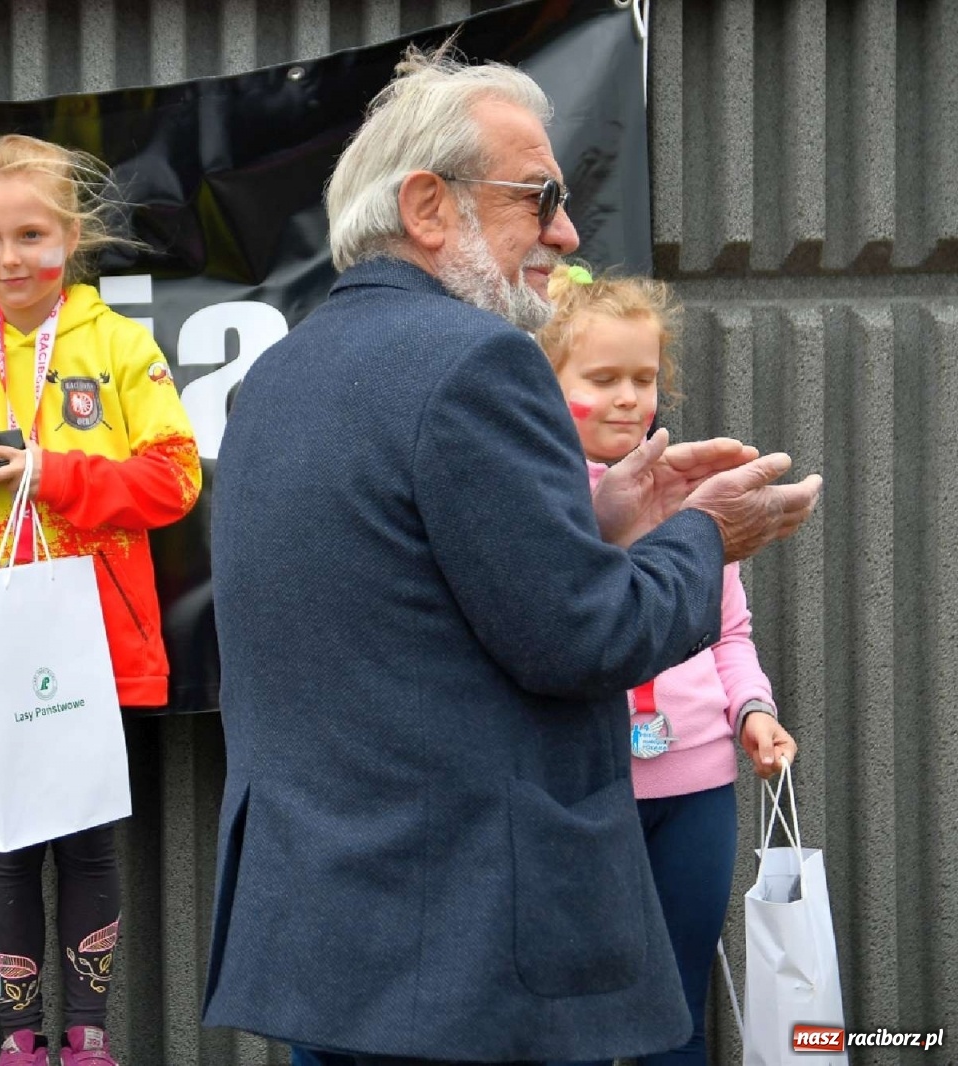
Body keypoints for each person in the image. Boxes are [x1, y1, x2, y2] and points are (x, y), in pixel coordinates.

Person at [204, 45, 821, 1066]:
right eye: (537, 200)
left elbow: (414, 592)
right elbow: (582, 636)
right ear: (428, 207)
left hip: (323, 945)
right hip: (463, 953)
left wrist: (610, 517)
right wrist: (705, 537)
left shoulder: (276, 373)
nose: (567, 234)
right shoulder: (478, 359)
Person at [0, 134, 201, 1066]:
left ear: (72, 236)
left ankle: (89, 1037)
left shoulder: (120, 346)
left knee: (91, 847)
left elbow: (174, 481)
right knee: (8, 849)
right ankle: (19, 1041)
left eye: (31, 234)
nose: (10, 258)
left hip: (96, 639)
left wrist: (54, 471)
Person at [537, 264, 797, 1066]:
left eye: (644, 379)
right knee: (569, 1012)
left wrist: (752, 711)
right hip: (578, 795)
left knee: (675, 1009)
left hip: (696, 791)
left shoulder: (694, 495)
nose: (627, 397)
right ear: (543, 385)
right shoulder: (534, 500)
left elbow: (729, 633)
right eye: (602, 378)